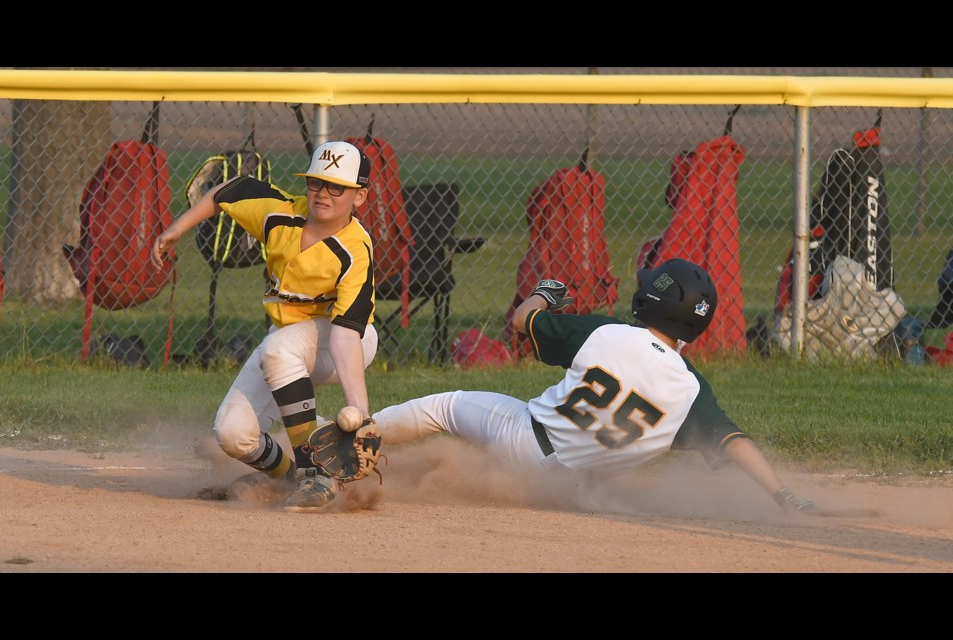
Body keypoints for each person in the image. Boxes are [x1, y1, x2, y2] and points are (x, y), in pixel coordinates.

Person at [372, 258, 819, 515]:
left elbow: (521, 321)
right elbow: (735, 441)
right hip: (571, 492)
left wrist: (544, 294)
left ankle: (355, 436)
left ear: (651, 302)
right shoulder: (691, 391)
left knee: (444, 406)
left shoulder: (608, 333)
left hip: (524, 442)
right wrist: (782, 494)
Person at [153, 140, 378, 511]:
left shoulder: (355, 250)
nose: (323, 193)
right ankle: (290, 476)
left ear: (360, 197)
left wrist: (360, 412)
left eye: (337, 187)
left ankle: (315, 473)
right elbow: (231, 189)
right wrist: (177, 228)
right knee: (233, 435)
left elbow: (345, 335)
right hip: (287, 342)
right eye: (316, 182)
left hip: (346, 340)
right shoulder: (280, 216)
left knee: (280, 349)